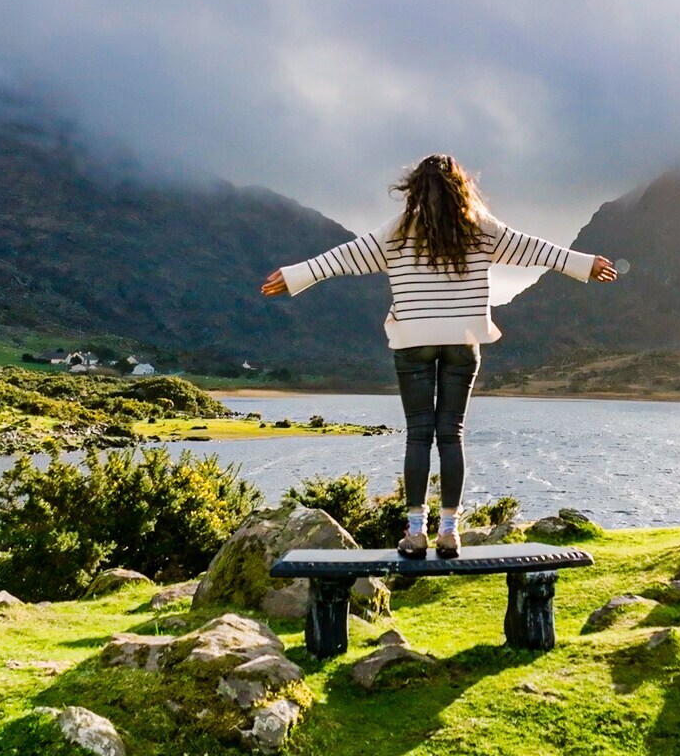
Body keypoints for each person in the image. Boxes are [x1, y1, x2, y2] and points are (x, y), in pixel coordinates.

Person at [261, 153, 617, 559]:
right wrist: (583, 264)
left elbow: (345, 257)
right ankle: (449, 532)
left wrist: (295, 276)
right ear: (460, 188)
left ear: (414, 189)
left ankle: (416, 533)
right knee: (451, 435)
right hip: (462, 341)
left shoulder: (397, 232)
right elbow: (531, 248)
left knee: (419, 435)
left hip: (413, 340)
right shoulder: (480, 228)